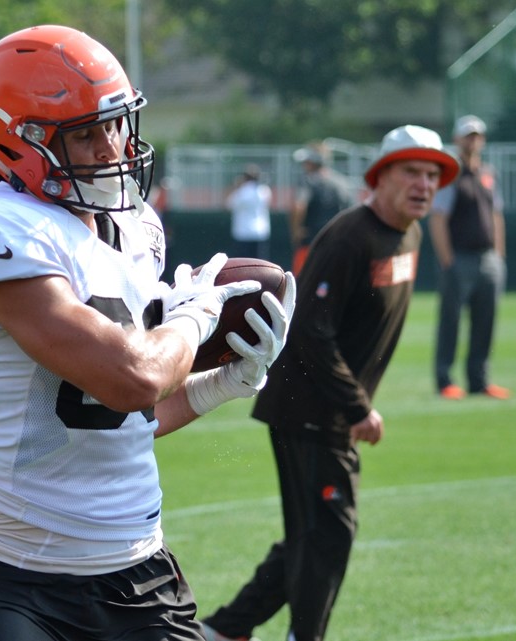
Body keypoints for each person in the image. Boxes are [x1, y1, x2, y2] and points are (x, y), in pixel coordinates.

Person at [0, 25, 296, 641]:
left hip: (138, 576)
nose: (112, 146)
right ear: (22, 143)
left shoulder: (137, 228)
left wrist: (220, 384)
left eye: (115, 123)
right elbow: (130, 377)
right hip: (10, 580)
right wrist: (193, 320)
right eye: (85, 133)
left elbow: (120, 419)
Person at [200, 125, 459, 641]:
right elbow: (310, 330)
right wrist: (357, 405)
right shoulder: (349, 237)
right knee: (328, 535)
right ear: (380, 177)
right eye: (411, 171)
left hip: (330, 411)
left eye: (432, 175)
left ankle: (224, 630)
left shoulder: (408, 233)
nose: (424, 184)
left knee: (310, 535)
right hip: (308, 410)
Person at [428, 115, 509, 400]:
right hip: (459, 258)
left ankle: (479, 380)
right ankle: (445, 380)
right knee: (450, 321)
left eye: (477, 136)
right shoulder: (450, 175)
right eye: (468, 136)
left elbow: (496, 215)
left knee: (485, 322)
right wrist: (447, 260)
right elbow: (438, 219)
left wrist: (499, 255)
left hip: (487, 260)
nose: (473, 140)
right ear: (457, 139)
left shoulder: (487, 174)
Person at [288, 143, 354, 276]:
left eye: (307, 161)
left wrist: (295, 231)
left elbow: (298, 206)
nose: (304, 165)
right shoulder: (342, 183)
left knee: (302, 287)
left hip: (310, 243)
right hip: (336, 244)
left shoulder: (307, 181)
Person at [225, 164, 273, 260]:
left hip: (243, 233)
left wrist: (236, 186)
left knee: (242, 266)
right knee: (260, 264)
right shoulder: (265, 191)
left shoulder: (241, 192)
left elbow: (228, 204)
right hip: (260, 232)